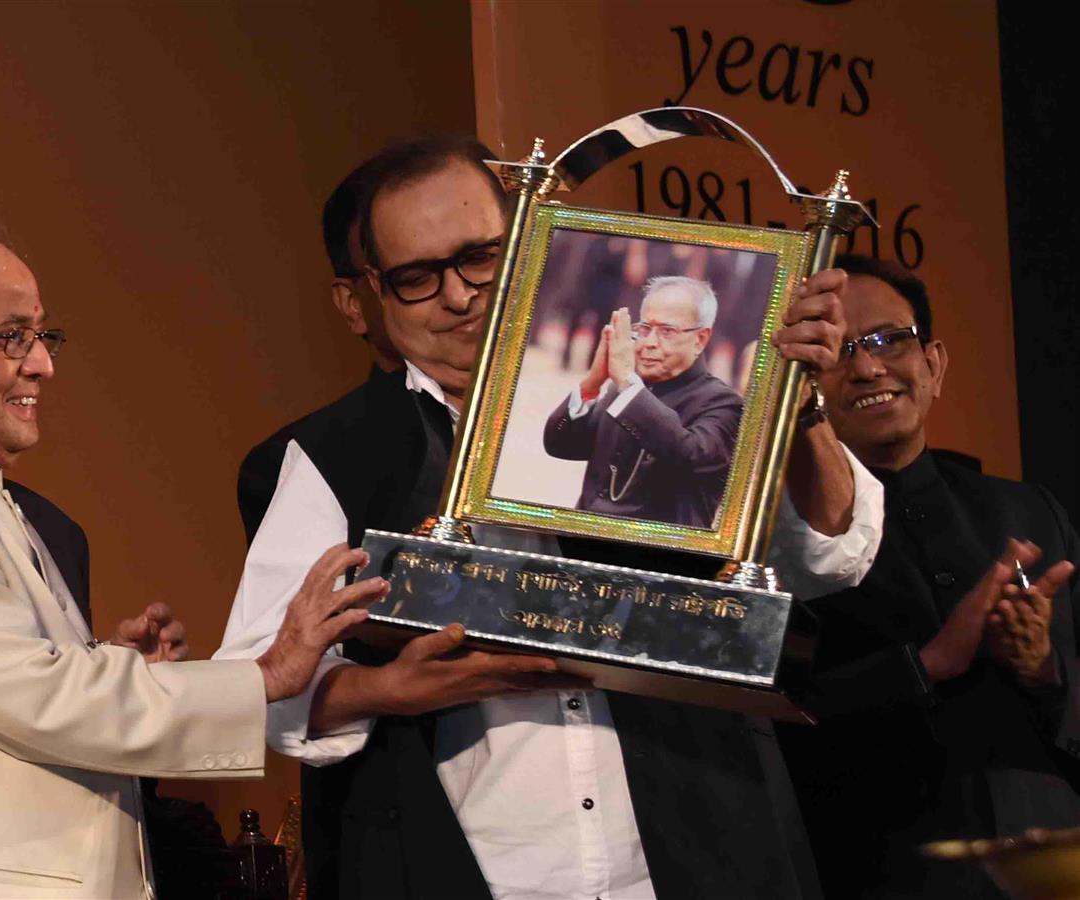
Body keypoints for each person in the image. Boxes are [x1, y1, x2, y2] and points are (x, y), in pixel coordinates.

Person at [216, 134, 884, 899]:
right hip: (466, 870)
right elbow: (258, 688)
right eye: (415, 276)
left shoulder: (677, 388)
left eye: (480, 256)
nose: (461, 294)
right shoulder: (326, 455)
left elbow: (829, 559)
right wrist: (387, 690)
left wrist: (798, 406)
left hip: (703, 848)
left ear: (535, 238)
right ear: (359, 297)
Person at [0, 215, 380, 898]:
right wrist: (268, 674)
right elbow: (41, 701)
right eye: (10, 336)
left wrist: (114, 667)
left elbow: (8, 692)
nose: (41, 362)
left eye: (42, 335)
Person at [781, 254, 1080, 899]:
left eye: (891, 340)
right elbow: (778, 723)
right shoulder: (783, 535)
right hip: (877, 871)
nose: (868, 368)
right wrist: (930, 663)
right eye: (839, 351)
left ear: (935, 364)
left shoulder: (1028, 511)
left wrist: (1044, 671)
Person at [542, 275, 744, 529]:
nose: (649, 343)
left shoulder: (723, 403)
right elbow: (561, 446)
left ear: (700, 339)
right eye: (644, 329)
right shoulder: (625, 389)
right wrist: (591, 384)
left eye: (667, 331)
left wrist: (627, 385)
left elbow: (688, 454)